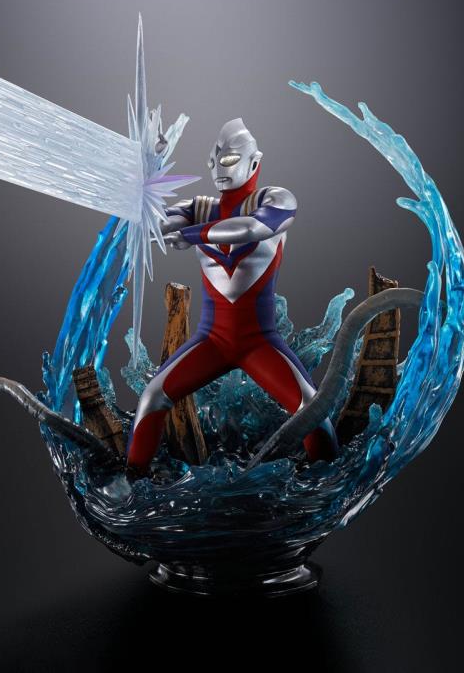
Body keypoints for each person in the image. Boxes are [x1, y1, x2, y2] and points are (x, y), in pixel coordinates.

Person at [126, 118, 339, 476]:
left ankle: (326, 488)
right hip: (211, 340)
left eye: (228, 160)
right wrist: (151, 165)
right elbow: (147, 220)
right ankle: (131, 484)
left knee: (313, 413)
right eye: (212, 161)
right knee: (152, 397)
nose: (218, 169)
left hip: (259, 343)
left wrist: (191, 235)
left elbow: (253, 227)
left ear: (254, 162)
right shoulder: (199, 207)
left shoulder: (276, 198)